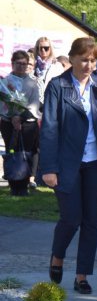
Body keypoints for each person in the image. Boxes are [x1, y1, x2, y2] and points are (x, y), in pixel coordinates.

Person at [40, 37, 97, 294]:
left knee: (92, 221)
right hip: (67, 164)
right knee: (71, 218)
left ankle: (82, 276)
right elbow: (50, 129)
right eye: (84, 60)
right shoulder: (58, 86)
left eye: (93, 60)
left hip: (96, 163)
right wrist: (48, 168)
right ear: (73, 58)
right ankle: (57, 255)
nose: (89, 65)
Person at [0, 50, 41, 196]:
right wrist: (12, 117)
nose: (21, 66)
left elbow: (35, 103)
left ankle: (23, 185)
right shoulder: (5, 82)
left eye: (24, 64)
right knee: (11, 151)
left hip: (27, 124)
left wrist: (21, 117)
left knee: (25, 152)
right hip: (8, 123)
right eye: (18, 63)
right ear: (13, 64)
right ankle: (12, 183)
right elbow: (3, 103)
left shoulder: (32, 83)